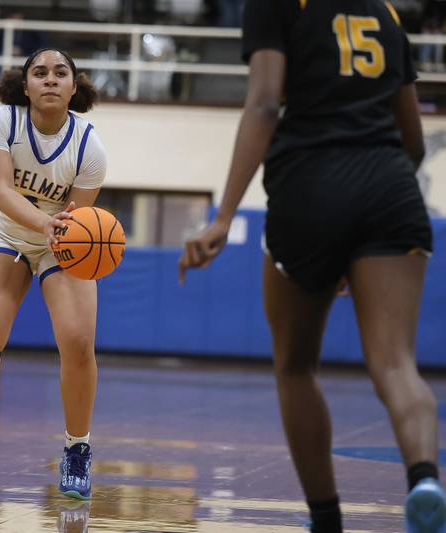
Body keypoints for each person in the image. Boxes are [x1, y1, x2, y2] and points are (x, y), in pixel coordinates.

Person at [179, 1, 444, 532]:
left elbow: (264, 103)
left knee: (296, 366)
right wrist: (368, 210)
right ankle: (424, 480)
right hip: (390, 188)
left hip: (308, 187)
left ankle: (326, 518)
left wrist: (224, 215)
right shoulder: (386, 12)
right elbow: (413, 139)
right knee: (396, 363)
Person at [0, 48, 106, 501]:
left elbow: (79, 219)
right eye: (40, 72)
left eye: (60, 73)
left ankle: (77, 449)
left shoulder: (90, 145)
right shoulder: (0, 122)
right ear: (25, 85)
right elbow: (2, 190)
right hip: (8, 232)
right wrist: (42, 223)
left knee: (78, 340)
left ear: (74, 86)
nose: (50, 79)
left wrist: (58, 231)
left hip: (62, 243)